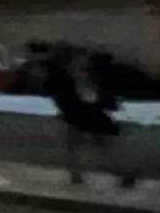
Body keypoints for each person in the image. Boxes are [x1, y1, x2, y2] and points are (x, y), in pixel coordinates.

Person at [53, 57, 134, 188]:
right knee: (89, 147)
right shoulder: (87, 80)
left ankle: (77, 175)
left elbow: (87, 98)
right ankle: (121, 174)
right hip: (90, 117)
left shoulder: (72, 81)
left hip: (85, 117)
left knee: (76, 146)